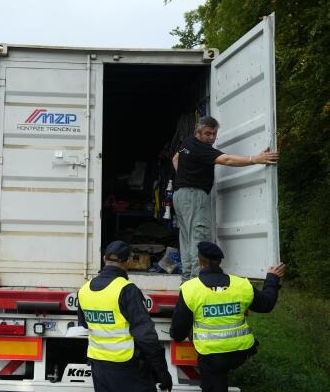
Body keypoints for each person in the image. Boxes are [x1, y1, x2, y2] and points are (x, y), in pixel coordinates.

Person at [172, 116, 279, 282]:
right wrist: (255, 159)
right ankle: (195, 280)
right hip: (194, 195)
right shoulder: (202, 149)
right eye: (208, 133)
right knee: (198, 238)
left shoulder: (186, 143)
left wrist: (184, 176)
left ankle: (186, 280)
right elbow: (226, 159)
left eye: (214, 134)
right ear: (197, 132)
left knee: (186, 238)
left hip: (179, 196)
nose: (212, 137)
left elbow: (175, 159)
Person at [169, 241, 285, 392]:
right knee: (219, 373)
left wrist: (177, 336)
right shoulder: (241, 285)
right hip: (240, 353)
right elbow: (266, 304)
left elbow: (179, 331)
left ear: (199, 261)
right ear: (220, 261)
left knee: (214, 375)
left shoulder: (191, 289)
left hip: (211, 355)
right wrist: (272, 278)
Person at [78, 240, 173, 392]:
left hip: (99, 366)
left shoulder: (84, 290)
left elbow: (84, 326)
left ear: (104, 259)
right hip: (127, 367)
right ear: (128, 262)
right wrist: (162, 373)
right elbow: (146, 337)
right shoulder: (126, 290)